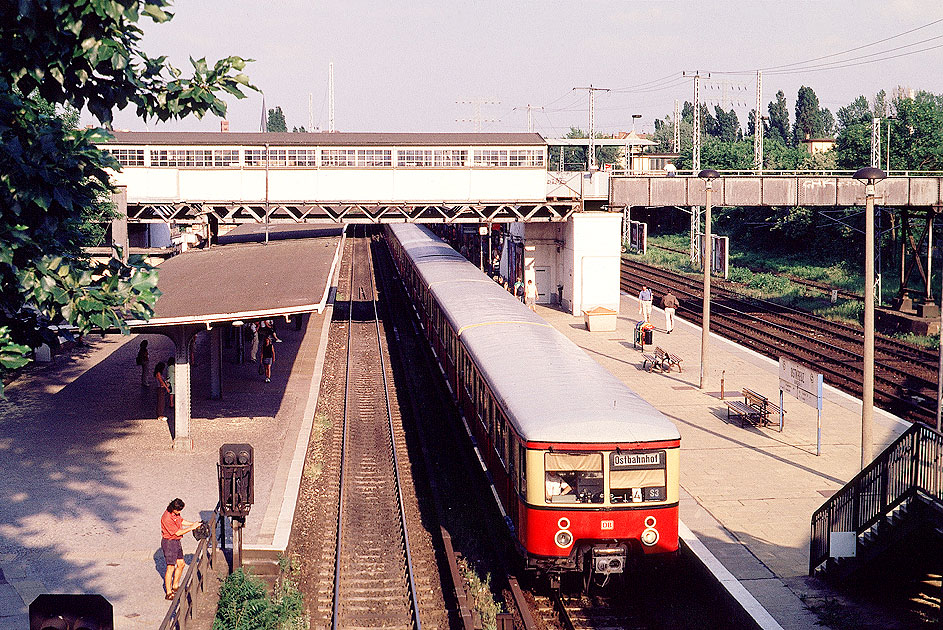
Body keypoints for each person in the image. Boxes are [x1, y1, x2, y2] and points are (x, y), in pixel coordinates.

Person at [160, 498, 202, 599]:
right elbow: (178, 532)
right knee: (170, 567)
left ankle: (175, 586)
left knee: (181, 564)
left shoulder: (175, 514)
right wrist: (191, 528)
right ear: (174, 508)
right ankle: (169, 592)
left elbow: (181, 521)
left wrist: (193, 524)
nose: (180, 512)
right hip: (169, 543)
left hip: (176, 542)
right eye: (178, 510)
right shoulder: (167, 518)